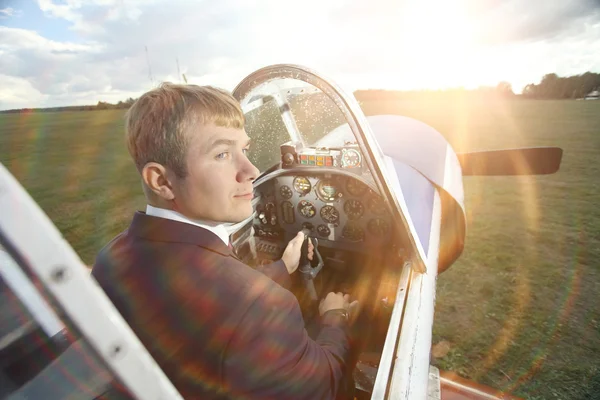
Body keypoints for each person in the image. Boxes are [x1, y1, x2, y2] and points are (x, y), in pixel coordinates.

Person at [91, 83, 358, 399]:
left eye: (243, 150)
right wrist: (334, 319)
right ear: (161, 181)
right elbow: (322, 383)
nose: (251, 170)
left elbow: (210, 298)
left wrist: (283, 267)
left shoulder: (111, 258)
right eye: (221, 154)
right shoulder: (259, 307)